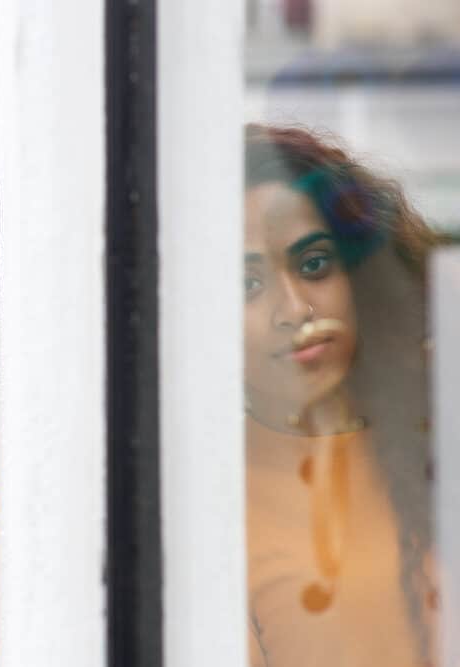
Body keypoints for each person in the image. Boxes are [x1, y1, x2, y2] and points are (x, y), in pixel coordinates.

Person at [243, 123, 441, 666]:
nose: (295, 308)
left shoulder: (437, 423)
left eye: (314, 265)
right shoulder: (209, 498)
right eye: (248, 285)